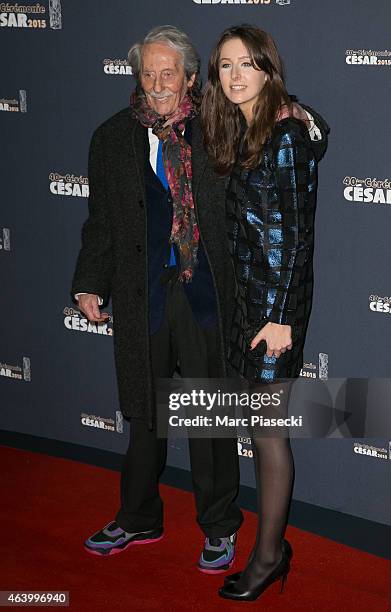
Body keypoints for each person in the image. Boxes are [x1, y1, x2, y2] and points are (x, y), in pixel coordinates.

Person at [71, 25, 327, 575]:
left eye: (170, 74)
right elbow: (101, 224)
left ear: (190, 78)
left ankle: (218, 526)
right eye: (148, 74)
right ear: (136, 78)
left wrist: (306, 116)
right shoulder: (111, 138)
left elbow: (296, 126)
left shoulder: (219, 125)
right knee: (144, 415)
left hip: (208, 293)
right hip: (144, 297)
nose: (158, 84)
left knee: (209, 413)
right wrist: (90, 280)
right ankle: (138, 516)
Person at [201, 25, 324, 600]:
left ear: (269, 71)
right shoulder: (246, 130)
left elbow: (295, 236)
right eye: (225, 65)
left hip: (274, 313)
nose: (235, 75)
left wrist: (278, 318)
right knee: (259, 428)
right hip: (250, 307)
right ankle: (272, 549)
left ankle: (269, 556)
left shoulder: (285, 137)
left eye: (248, 64)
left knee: (269, 435)